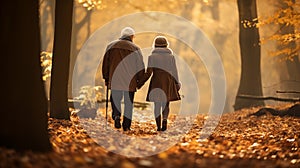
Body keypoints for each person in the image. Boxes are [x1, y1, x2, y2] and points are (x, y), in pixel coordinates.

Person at [102, 27, 145, 131]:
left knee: (115, 99)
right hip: (130, 82)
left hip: (115, 80)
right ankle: (126, 125)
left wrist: (106, 77)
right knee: (128, 104)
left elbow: (105, 64)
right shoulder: (136, 48)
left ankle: (116, 116)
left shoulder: (111, 46)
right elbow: (140, 67)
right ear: (131, 36)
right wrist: (139, 81)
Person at [143, 36, 181, 131]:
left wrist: (141, 82)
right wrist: (177, 83)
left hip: (156, 81)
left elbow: (149, 72)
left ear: (155, 45)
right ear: (166, 45)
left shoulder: (152, 56)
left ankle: (158, 126)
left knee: (157, 104)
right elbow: (174, 70)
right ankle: (165, 119)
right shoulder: (171, 57)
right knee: (166, 103)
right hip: (168, 81)